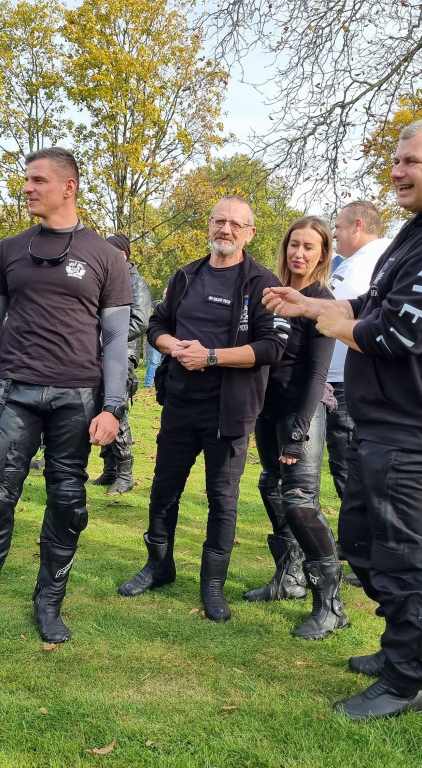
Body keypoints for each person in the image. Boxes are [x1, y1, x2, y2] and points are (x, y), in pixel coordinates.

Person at [264, 117, 422, 719]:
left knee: (402, 551)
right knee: (363, 542)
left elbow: (394, 333)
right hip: (385, 419)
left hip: (414, 422)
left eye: (412, 161)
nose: (397, 170)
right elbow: (376, 302)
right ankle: (406, 646)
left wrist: (330, 322)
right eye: (396, 160)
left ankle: (406, 678)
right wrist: (312, 302)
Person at [0, 147, 132, 663]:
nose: (26, 187)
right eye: (25, 179)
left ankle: (49, 602)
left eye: (37, 180)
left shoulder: (105, 258)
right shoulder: (8, 250)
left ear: (68, 187)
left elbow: (116, 340)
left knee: (67, 504)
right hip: (13, 392)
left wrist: (113, 407)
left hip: (76, 397)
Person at [118, 195, 288, 622]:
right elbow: (156, 324)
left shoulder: (261, 284)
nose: (225, 230)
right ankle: (159, 566)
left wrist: (212, 356)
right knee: (163, 490)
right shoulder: (186, 276)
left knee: (222, 499)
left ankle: (212, 586)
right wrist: (171, 345)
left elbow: (273, 346)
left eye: (235, 224)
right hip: (179, 403)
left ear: (249, 232)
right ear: (208, 227)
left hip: (229, 410)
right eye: (219, 222)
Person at [247, 216, 348, 640]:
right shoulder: (271, 295)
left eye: (309, 247)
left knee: (301, 500)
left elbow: (316, 374)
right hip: (266, 410)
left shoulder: (321, 301)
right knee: (271, 487)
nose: (299, 253)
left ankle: (331, 605)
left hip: (302, 411)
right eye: (293, 245)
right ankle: (288, 578)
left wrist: (300, 429)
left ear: (323, 253)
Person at [326, 201, 391, 501]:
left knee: (350, 471)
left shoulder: (376, 261)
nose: (334, 234)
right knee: (343, 466)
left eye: (338, 227)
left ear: (358, 226)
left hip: (349, 385)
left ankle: (358, 544)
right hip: (335, 380)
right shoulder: (355, 261)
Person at [90, 233, 151, 494]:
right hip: (98, 354)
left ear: (122, 255)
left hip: (121, 356)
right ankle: (110, 469)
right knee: (100, 406)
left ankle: (125, 475)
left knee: (116, 410)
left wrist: (104, 336)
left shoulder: (136, 282)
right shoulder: (105, 280)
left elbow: (139, 321)